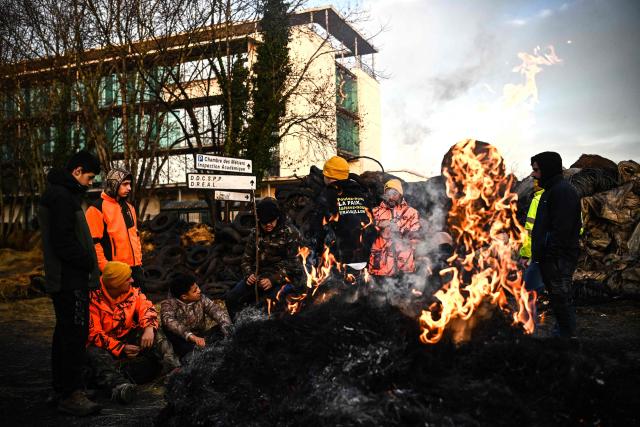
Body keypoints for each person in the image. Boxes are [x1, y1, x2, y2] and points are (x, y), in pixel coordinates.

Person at [39, 151, 102, 416]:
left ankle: (63, 388)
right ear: (77, 171)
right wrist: (88, 261)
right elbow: (63, 242)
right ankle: (71, 393)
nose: (90, 182)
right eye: (89, 176)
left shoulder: (59, 193)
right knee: (74, 336)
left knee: (65, 334)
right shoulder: (62, 197)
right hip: (70, 279)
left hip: (66, 277)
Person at [86, 261, 175, 403]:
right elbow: (94, 333)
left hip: (127, 336)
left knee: (154, 332)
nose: (132, 280)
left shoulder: (133, 292)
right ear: (116, 283)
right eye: (128, 278)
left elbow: (147, 308)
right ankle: (119, 387)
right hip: (107, 345)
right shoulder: (92, 299)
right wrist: (121, 348)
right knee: (92, 351)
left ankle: (174, 369)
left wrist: (148, 328)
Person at [530, 152, 582, 338]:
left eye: (536, 170)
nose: (533, 174)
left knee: (560, 298)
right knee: (528, 291)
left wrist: (550, 254)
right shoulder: (550, 191)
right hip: (544, 257)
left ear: (547, 169)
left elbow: (562, 230)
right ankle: (526, 330)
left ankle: (567, 338)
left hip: (557, 258)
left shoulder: (563, 192)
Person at [225, 198, 303, 315]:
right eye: (264, 222)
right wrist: (249, 274)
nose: (268, 225)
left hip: (281, 278)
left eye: (271, 221)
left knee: (268, 305)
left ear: (277, 217)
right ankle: (239, 327)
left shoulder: (290, 233)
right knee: (231, 298)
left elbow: (295, 265)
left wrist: (273, 279)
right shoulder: (255, 233)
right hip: (258, 276)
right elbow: (246, 260)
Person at [311, 156, 376, 280]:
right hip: (363, 260)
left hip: (337, 263)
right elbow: (371, 225)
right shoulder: (363, 194)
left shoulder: (327, 195)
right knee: (360, 296)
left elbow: (318, 230)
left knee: (337, 298)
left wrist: (317, 257)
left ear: (328, 176)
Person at [85, 167, 144, 288]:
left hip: (135, 270)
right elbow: (94, 243)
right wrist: (106, 269)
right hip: (115, 273)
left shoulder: (129, 207)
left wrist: (139, 262)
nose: (129, 188)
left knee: (139, 305)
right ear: (114, 183)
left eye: (130, 184)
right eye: (125, 184)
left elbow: (135, 236)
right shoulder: (96, 208)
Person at [161, 273, 232, 364]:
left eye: (198, 287)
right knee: (192, 353)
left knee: (223, 329)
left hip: (201, 336)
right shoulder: (168, 305)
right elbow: (169, 322)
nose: (199, 290)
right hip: (182, 340)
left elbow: (218, 312)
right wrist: (192, 336)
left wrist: (228, 332)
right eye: (195, 291)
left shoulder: (201, 299)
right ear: (184, 297)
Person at [369, 179, 421, 278]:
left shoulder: (411, 212)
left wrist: (400, 230)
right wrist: (379, 224)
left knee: (404, 293)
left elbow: (416, 237)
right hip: (380, 267)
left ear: (400, 194)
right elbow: (366, 233)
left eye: (394, 193)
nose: (391, 197)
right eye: (388, 193)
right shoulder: (375, 212)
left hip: (404, 266)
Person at [519, 179, 546, 295]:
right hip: (563, 252)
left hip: (540, 252)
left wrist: (525, 254)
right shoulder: (566, 197)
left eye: (536, 180)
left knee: (531, 286)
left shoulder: (537, 200)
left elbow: (530, 231)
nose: (534, 183)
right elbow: (579, 228)